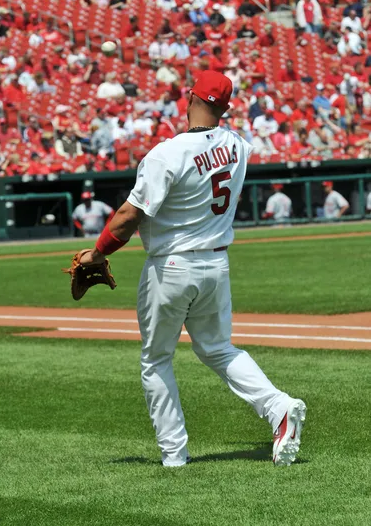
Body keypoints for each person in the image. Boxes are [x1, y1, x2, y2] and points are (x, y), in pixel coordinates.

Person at [77, 70, 306, 467]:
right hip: (216, 262)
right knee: (219, 348)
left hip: (171, 266)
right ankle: (277, 406)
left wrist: (97, 252)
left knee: (156, 359)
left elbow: (128, 217)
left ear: (189, 97)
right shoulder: (240, 146)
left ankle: (174, 455)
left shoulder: (166, 154)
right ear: (226, 107)